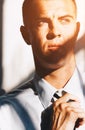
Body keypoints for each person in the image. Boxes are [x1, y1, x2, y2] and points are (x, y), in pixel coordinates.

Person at [0, 0, 85, 130]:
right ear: (26, 34)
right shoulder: (4, 114)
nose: (55, 31)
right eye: (42, 22)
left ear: (77, 30)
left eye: (64, 20)